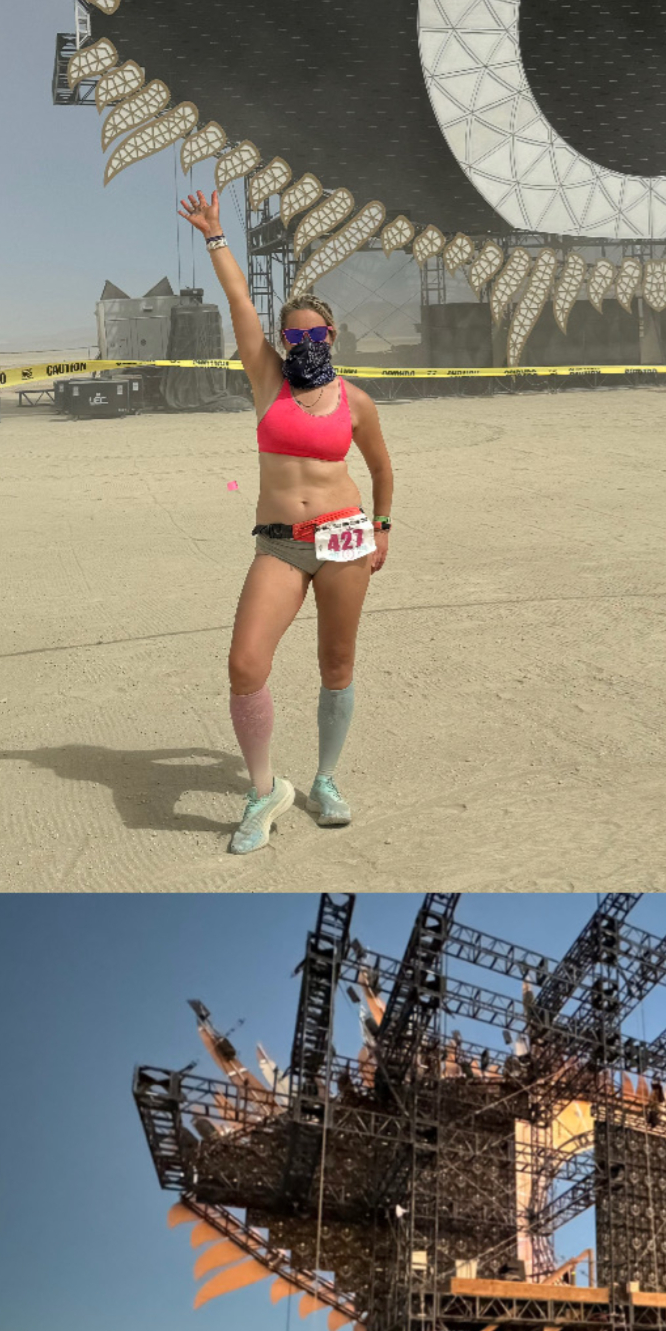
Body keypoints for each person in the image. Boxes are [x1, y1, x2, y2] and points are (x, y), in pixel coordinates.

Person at [179, 190, 393, 852]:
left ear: (332, 336)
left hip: (345, 537)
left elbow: (382, 469)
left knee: (336, 661)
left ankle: (325, 781)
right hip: (278, 544)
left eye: (314, 334)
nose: (302, 342)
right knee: (245, 663)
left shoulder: (355, 401)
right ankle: (265, 789)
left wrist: (381, 527)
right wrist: (217, 237)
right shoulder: (266, 379)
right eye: (292, 334)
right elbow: (242, 303)